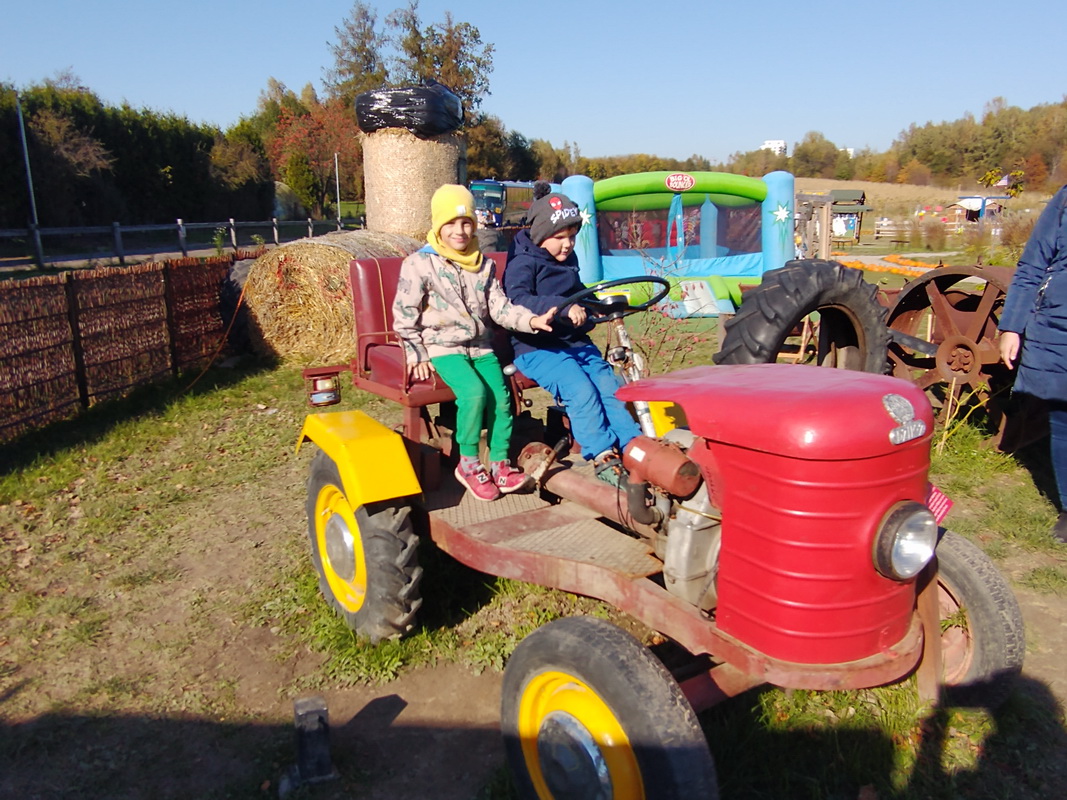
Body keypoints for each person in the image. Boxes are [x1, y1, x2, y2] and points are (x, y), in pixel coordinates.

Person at [393, 184, 556, 502]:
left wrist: (531, 321)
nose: (460, 231)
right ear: (438, 225)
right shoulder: (420, 264)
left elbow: (500, 308)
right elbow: (404, 312)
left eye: (466, 222)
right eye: (451, 223)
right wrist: (416, 352)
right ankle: (467, 463)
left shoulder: (483, 265)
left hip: (481, 346)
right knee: (473, 393)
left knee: (502, 399)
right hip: (443, 347)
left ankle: (499, 464)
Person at [503, 185, 641, 487]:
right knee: (580, 390)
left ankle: (633, 446)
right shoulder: (523, 263)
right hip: (538, 348)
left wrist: (598, 306)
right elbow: (517, 299)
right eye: (560, 237)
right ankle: (602, 454)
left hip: (575, 342)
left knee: (610, 386)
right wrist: (562, 308)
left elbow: (579, 293)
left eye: (572, 236)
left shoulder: (567, 260)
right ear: (540, 234)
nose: (567, 244)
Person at [998, 184, 1067, 542]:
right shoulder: (1065, 199)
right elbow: (1033, 263)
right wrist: (1011, 326)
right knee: (1062, 417)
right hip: (1058, 325)